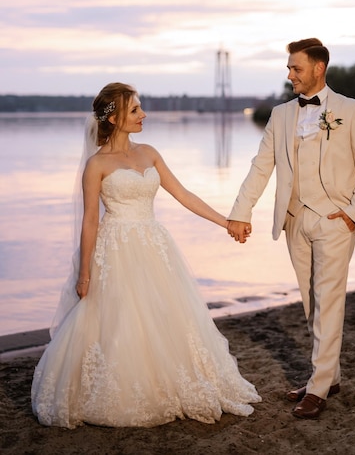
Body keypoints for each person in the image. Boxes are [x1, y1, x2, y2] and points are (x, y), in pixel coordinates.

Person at [31, 82, 261, 429]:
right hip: (116, 250)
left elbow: (183, 194)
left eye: (140, 108)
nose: (143, 115)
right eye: (136, 109)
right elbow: (90, 221)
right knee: (120, 321)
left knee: (165, 317)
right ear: (115, 116)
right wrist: (85, 272)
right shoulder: (96, 165)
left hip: (154, 245)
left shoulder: (150, 152)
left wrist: (226, 222)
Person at [227, 38, 355, 420]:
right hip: (295, 218)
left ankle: (318, 388)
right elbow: (261, 165)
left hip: (335, 219)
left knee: (328, 299)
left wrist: (353, 213)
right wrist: (241, 212)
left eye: (296, 68)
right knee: (312, 302)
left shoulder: (351, 109)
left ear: (318, 68)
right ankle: (330, 376)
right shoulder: (279, 115)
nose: (290, 74)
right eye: (288, 68)